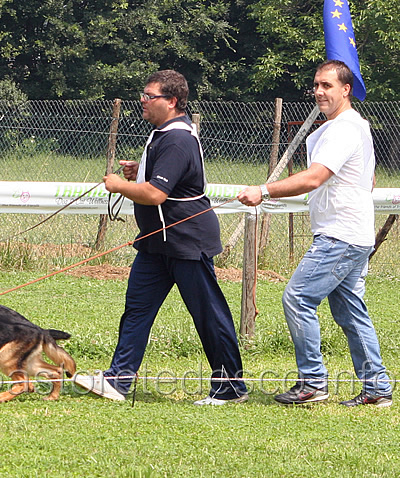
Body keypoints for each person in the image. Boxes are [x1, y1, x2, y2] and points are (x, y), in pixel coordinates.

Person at [73, 70, 248, 405]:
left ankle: (230, 387)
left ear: (171, 101)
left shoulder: (178, 137)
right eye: (143, 94)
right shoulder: (163, 134)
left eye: (149, 96)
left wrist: (120, 185)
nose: (143, 101)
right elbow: (163, 179)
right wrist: (138, 170)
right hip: (157, 241)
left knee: (208, 314)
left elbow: (155, 194)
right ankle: (118, 380)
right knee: (137, 309)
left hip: (186, 240)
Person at [237, 60, 392, 407]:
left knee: (298, 297)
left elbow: (313, 178)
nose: (319, 92)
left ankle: (312, 383)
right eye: (317, 85)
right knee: (350, 312)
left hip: (340, 235)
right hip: (354, 232)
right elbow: (369, 180)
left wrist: (263, 190)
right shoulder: (356, 126)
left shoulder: (342, 130)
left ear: (346, 89)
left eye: (327, 85)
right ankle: (377, 388)